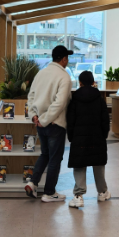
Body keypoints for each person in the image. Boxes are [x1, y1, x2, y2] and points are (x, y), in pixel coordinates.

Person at [25, 45, 74, 202]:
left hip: (39, 123)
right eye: (67, 58)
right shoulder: (64, 77)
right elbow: (60, 103)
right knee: (55, 159)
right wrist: (45, 120)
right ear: (64, 59)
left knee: (45, 154)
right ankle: (49, 193)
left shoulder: (41, 73)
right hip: (55, 124)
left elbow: (31, 96)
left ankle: (33, 183)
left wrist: (34, 116)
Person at [66, 71, 111, 208]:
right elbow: (105, 120)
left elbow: (70, 120)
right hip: (97, 137)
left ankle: (78, 196)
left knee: (79, 164)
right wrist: (104, 135)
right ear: (93, 82)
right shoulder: (99, 98)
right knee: (98, 164)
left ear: (80, 82)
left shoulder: (75, 99)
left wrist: (71, 137)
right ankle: (102, 192)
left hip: (79, 138)